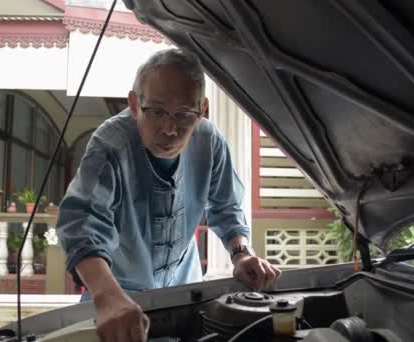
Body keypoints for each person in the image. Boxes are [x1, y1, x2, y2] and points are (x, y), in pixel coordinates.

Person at [56, 48, 281, 342]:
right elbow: (82, 226)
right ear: (135, 104)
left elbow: (226, 207)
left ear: (202, 111)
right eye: (157, 112)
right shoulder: (111, 144)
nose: (170, 129)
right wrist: (107, 295)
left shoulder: (209, 141)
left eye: (184, 114)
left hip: (184, 293)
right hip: (114, 293)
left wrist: (241, 254)